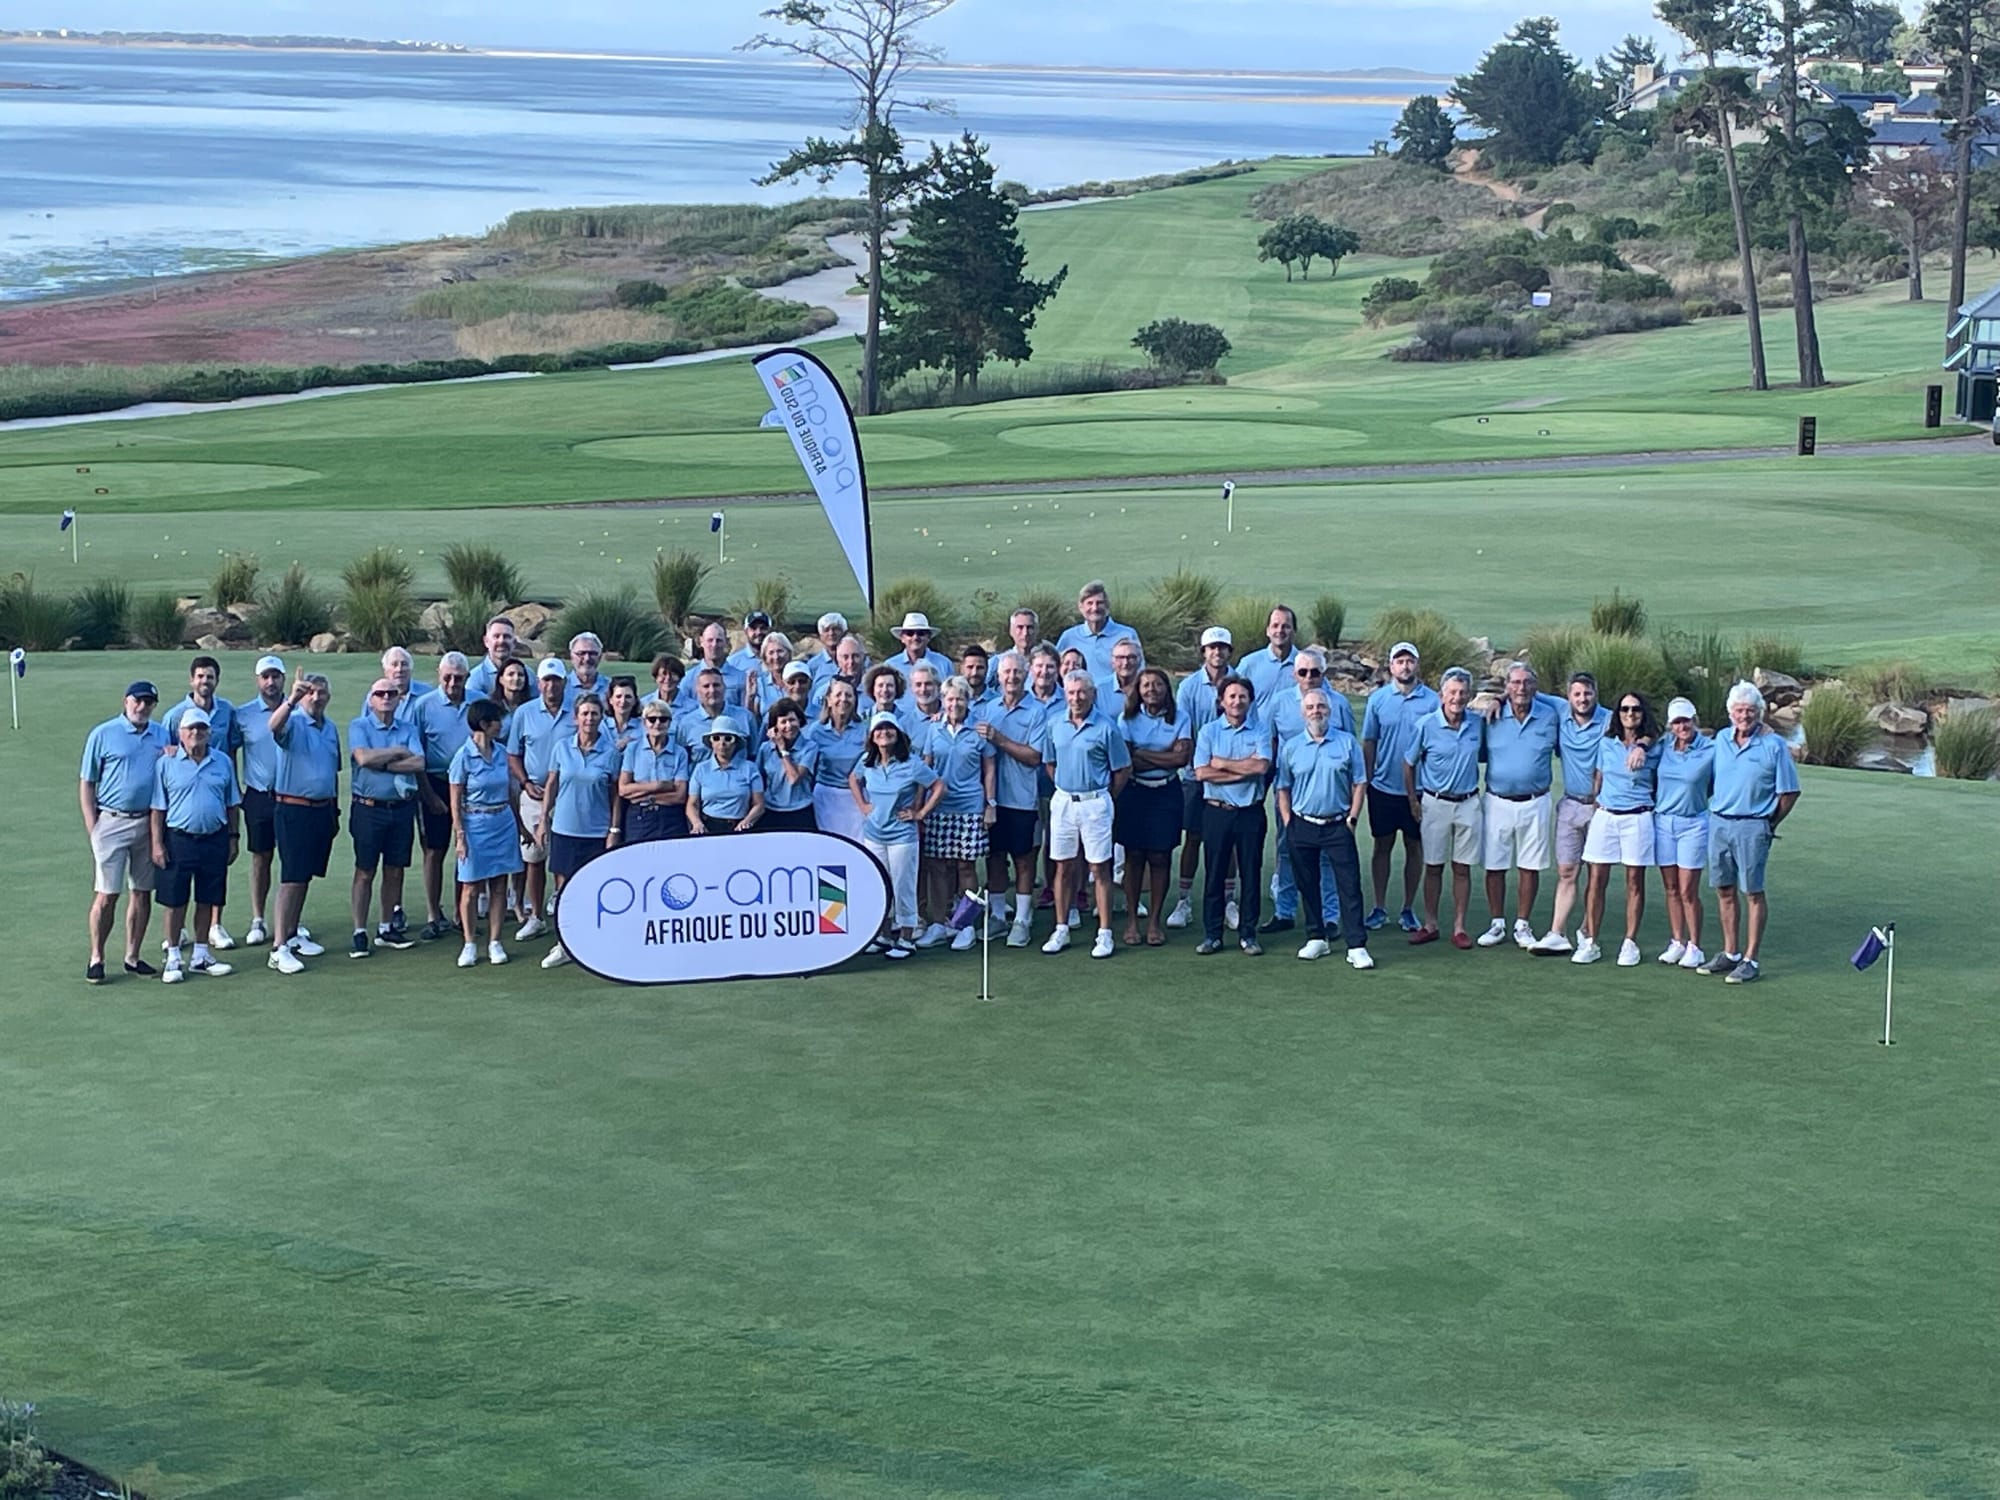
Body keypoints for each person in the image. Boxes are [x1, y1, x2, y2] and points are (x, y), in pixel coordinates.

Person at [1700, 681, 1801, 984]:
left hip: (1753, 825)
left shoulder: (1774, 745)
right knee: (1724, 889)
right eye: (1739, 710)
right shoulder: (1721, 739)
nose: (1744, 716)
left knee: (1752, 892)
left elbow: (1789, 792)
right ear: (1730, 712)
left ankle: (1750, 959)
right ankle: (1730, 953)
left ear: (1760, 712)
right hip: (1719, 822)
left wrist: (1770, 824)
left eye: (1750, 711)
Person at [1275, 688, 1374, 968]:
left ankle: (1356, 945)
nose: (1316, 711)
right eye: (1310, 707)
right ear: (1302, 713)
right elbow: (1283, 787)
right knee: (1307, 884)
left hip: (1338, 824)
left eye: (1320, 706)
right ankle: (1316, 937)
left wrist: (1352, 819)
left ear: (1328, 710)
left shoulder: (1347, 743)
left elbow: (1359, 783)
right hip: (1302, 824)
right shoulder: (1291, 747)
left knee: (1349, 885)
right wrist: (1288, 822)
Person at [1261, 649, 1355, 938]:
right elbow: (1271, 743)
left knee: (1327, 859)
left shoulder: (1338, 703)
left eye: (1315, 672)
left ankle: (1329, 917)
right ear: (1295, 674)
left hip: (1330, 795)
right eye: (1303, 672)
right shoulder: (1279, 703)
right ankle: (1285, 911)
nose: (1309, 677)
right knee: (1286, 849)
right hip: (1291, 792)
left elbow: (1350, 749)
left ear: (1323, 673)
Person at [80, 681, 170, 983]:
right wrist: (93, 827)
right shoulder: (103, 734)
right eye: (137, 701)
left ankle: (133, 956)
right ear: (126, 701)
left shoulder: (161, 734)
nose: (142, 707)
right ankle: (97, 957)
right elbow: (87, 783)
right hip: (111, 821)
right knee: (107, 895)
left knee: (142, 893)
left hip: (148, 823)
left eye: (149, 702)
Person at [1040, 671, 1130, 959]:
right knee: (1063, 866)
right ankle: (1061, 928)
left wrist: (1104, 796)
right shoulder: (1055, 723)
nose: (1076, 698)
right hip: (1064, 801)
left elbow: (1122, 769)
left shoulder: (1107, 727)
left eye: (1081, 692)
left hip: (1095, 802)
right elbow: (1050, 763)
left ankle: (1104, 933)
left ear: (1092, 694)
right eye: (1071, 692)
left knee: (1099, 868)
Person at [148, 708, 241, 984]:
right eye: (190, 728)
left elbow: (232, 804)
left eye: (201, 728)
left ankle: (201, 955)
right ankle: (173, 956)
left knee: (207, 898)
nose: (196, 733)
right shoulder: (166, 763)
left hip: (215, 838)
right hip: (178, 839)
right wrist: (156, 844)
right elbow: (158, 808)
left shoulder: (222, 762)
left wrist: (234, 838)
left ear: (209, 732)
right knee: (174, 900)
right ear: (180, 733)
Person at [161, 654, 243, 952]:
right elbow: (166, 751)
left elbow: (232, 751)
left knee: (212, 880)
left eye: (209, 676)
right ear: (191, 680)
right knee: (179, 885)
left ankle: (214, 927)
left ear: (216, 680)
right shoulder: (174, 715)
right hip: (184, 798)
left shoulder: (227, 711)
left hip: (217, 787)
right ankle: (178, 934)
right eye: (200, 676)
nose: (204, 681)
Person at [1477, 661, 1561, 950]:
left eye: (1527, 682)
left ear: (1536, 687)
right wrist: (1499, 700)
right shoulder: (1491, 717)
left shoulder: (1550, 715)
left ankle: (1522, 924)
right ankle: (1497, 923)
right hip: (1497, 800)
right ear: (1506, 686)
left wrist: (1501, 696)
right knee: (1494, 864)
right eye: (1514, 683)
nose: (1521, 688)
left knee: (1529, 866)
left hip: (1535, 801)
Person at [1575, 691, 1663, 967]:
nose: (1630, 714)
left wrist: (1644, 745)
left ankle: (1629, 942)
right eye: (1624, 709)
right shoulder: (1607, 743)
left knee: (1634, 880)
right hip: (1606, 815)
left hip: (1638, 816)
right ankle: (1591, 940)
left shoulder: (1655, 746)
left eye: (1635, 709)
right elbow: (1599, 778)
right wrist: (1595, 807)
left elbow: (1665, 737)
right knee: (1596, 879)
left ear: (1643, 713)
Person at [536, 693, 623, 969]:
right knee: (564, 891)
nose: (589, 718)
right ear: (576, 718)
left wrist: (614, 829)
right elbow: (552, 784)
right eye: (584, 713)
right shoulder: (562, 748)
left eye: (594, 714)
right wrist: (543, 819)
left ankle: (593, 943)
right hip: (565, 828)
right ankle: (565, 944)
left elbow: (615, 795)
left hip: (596, 832)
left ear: (601, 718)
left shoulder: (611, 753)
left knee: (595, 890)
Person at [1529, 672, 1612, 955]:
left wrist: (1642, 744)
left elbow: (1644, 728)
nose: (1582, 699)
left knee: (1596, 875)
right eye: (1577, 694)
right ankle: (1557, 933)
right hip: (1570, 804)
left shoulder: (1610, 719)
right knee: (1567, 871)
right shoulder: (1560, 709)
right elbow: (1525, 690)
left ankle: (1588, 931)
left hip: (1601, 808)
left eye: (1587, 693)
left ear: (1595, 694)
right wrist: (1499, 699)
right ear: (1568, 696)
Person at [1402, 666, 1485, 948]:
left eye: (1462, 693)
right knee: (1434, 866)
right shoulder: (1426, 725)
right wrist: (1413, 800)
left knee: (1462, 868)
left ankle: (1459, 928)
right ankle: (1430, 924)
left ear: (1469, 696)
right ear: (1441, 695)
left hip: (1468, 802)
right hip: (1435, 803)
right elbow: (1409, 763)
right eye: (1452, 692)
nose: (1457, 698)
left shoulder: (1477, 724)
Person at [266, 671, 341, 974]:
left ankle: (293, 933)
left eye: (321, 692)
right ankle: (278, 947)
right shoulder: (293, 720)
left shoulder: (330, 728)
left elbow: (333, 770)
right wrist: (292, 699)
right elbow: (273, 726)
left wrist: (334, 811)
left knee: (305, 876)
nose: (316, 697)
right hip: (293, 809)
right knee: (291, 878)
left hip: (322, 810)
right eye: (311, 692)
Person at [851, 712, 942, 960]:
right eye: (879, 729)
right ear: (872, 736)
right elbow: (853, 779)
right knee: (879, 884)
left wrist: (920, 813)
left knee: (903, 886)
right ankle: (883, 935)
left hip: (902, 836)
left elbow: (938, 786)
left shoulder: (912, 763)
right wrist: (863, 806)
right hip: (874, 835)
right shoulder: (866, 761)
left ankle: (906, 938)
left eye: (889, 728)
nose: (884, 733)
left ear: (898, 733)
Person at [1362, 642, 1439, 934]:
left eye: (1410, 661)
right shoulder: (1378, 700)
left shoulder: (1432, 701)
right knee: (1381, 846)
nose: (1405, 666)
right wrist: (1367, 779)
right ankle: (1379, 907)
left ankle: (1408, 908)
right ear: (1391, 666)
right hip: (1383, 787)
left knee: (1414, 847)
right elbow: (1370, 741)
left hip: (1419, 790)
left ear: (1416, 665)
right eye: (1400, 661)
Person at [348, 676, 426, 959]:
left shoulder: (408, 728)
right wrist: (397, 752)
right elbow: (363, 759)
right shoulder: (360, 726)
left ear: (398, 699)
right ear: (371, 699)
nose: (385, 698)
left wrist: (384, 765)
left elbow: (419, 762)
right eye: (380, 694)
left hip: (400, 807)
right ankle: (359, 931)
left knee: (395, 869)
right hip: (368, 808)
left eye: (391, 694)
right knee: (365, 870)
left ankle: (386, 927)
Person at [916, 676, 995, 951]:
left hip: (970, 806)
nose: (954, 703)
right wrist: (920, 808)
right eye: (950, 698)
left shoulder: (979, 730)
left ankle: (965, 925)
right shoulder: (933, 729)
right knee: (937, 866)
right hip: (939, 807)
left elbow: (989, 769)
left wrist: (990, 804)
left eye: (960, 698)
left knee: (966, 866)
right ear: (943, 700)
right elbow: (926, 767)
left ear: (968, 700)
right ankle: (939, 923)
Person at [1193, 676, 1270, 955]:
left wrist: (1223, 764)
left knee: (1250, 873)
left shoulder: (1261, 730)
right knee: (1214, 873)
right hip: (1217, 811)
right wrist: (1243, 770)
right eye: (1232, 696)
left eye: (1242, 696)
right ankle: (1213, 934)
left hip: (1250, 813)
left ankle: (1248, 934)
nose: (1237, 701)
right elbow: (1202, 772)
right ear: (1222, 701)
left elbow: (1261, 768)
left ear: (1250, 700)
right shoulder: (1209, 732)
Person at [977, 649, 1049, 947]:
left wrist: (1000, 739)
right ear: (999, 676)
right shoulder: (988, 709)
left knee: (1023, 859)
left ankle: (1021, 919)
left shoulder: (1037, 712)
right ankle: (997, 916)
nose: (1012, 677)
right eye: (1006, 672)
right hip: (992, 800)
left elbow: (1034, 757)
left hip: (1022, 798)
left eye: (1017, 672)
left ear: (1026, 675)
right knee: (994, 858)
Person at [1167, 626, 1236, 930]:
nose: (1217, 652)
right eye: (1212, 647)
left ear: (1229, 651)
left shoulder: (1239, 682)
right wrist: (1203, 766)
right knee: (1193, 837)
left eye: (1222, 647)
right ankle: (1184, 901)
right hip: (1195, 775)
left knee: (1229, 840)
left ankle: (1229, 901)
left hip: (1233, 776)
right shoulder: (1189, 686)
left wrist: (1228, 768)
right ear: (1204, 652)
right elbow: (1185, 731)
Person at [1116, 666, 1190, 948]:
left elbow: (1181, 759)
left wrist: (1143, 753)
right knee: (1134, 856)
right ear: (1138, 690)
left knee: (1160, 856)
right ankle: (1132, 921)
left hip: (1166, 792)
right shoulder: (1127, 718)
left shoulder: (1181, 717)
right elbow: (1126, 760)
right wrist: (1164, 755)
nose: (1151, 690)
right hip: (1134, 792)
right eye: (1146, 685)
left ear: (1166, 689)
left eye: (1157, 685)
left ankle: (1154, 922)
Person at [448, 698, 521, 967]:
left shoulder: (501, 753)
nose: (501, 725)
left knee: (499, 885)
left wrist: (521, 826)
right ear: (484, 723)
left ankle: (495, 941)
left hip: (502, 822)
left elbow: (510, 792)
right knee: (470, 887)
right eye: (497, 720)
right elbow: (455, 799)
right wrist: (460, 835)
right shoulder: (463, 756)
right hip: (474, 825)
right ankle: (469, 943)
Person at [506, 657, 574, 941]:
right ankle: (536, 916)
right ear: (539, 683)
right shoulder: (525, 712)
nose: (551, 686)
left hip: (568, 794)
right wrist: (525, 782)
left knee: (563, 857)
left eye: (556, 680)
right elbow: (513, 754)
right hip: (533, 794)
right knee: (534, 857)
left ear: (564, 683)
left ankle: (563, 912)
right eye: (547, 680)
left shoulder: (577, 710)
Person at [413, 651, 473, 941]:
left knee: (466, 849)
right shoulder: (423, 706)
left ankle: (463, 913)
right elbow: (416, 754)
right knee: (434, 850)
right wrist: (428, 795)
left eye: (458, 678)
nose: (452, 683)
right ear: (439, 675)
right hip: (436, 783)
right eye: (447, 677)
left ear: (467, 678)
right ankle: (433, 914)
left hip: (471, 787)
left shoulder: (477, 703)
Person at [233, 655, 291, 947]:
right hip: (258, 794)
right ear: (257, 680)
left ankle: (291, 920)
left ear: (283, 679)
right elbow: (229, 753)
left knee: (292, 859)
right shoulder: (243, 715)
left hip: (293, 795)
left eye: (275, 676)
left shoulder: (298, 710)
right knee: (261, 856)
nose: (271, 682)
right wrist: (235, 792)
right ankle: (258, 918)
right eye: (265, 677)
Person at [1653, 696, 1715, 970]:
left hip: (1693, 824)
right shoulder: (1663, 746)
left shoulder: (1710, 748)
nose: (1682, 727)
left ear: (1694, 720)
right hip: (1663, 822)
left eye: (1686, 721)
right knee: (1671, 888)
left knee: (1688, 889)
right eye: (1677, 722)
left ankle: (1695, 946)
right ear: (1671, 725)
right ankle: (1677, 941)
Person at [619, 698, 691, 842]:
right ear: (644, 722)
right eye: (652, 719)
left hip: (670, 818)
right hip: (639, 817)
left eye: (663, 719)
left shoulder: (680, 753)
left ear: (669, 723)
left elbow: (680, 796)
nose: (657, 723)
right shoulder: (633, 749)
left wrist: (646, 797)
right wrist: (659, 786)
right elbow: (623, 789)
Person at [808, 680, 868, 841]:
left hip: (855, 797)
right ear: (828, 699)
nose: (843, 699)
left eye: (849, 695)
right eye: (838, 695)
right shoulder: (816, 731)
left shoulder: (865, 730)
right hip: (826, 797)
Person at [687, 718, 764, 835]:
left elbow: (759, 804)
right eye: (716, 738)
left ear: (736, 742)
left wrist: (747, 821)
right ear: (711, 742)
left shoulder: (750, 769)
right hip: (708, 827)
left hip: (741, 827)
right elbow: (692, 804)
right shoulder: (701, 769)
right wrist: (697, 823)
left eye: (728, 739)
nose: (722, 744)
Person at [1056, 580, 1140, 684]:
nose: (1095, 608)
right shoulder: (1069, 637)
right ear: (1081, 607)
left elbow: (1139, 672)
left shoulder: (1127, 634)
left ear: (1107, 606)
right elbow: (1056, 671)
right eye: (1089, 603)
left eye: (1099, 603)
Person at [757, 700, 819, 833]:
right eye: (783, 722)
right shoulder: (765, 749)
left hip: (800, 811)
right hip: (771, 810)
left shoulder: (810, 747)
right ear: (775, 726)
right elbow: (760, 779)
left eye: (792, 720)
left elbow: (794, 778)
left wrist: (782, 750)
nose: (789, 726)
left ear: (799, 721)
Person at [676, 667, 756, 764]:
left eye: (716, 685)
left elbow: (754, 755)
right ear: (698, 691)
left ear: (724, 687)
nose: (712, 690)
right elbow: (682, 761)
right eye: (706, 686)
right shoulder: (686, 723)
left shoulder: (745, 717)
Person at [676, 622, 746, 711]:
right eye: (710, 640)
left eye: (719, 640)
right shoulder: (688, 679)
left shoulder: (740, 678)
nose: (714, 645)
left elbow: (745, 713)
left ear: (726, 642)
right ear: (701, 641)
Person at [1237, 605, 1299, 701]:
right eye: (1275, 626)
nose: (1280, 630)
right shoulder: (1249, 664)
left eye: (1286, 626)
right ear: (1267, 631)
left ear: (1294, 631)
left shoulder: (1306, 666)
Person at [883, 611, 953, 689]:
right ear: (902, 638)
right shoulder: (890, 665)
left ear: (928, 637)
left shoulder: (944, 664)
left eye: (921, 633)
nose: (915, 637)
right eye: (910, 633)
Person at [365, 645, 434, 721]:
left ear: (410, 669)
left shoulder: (427, 694)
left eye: (404, 664)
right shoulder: (375, 696)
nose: (399, 669)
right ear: (385, 671)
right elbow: (364, 725)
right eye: (394, 664)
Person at [465, 616, 518, 700]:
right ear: (486, 641)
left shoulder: (528, 676)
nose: (501, 641)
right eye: (496, 636)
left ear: (514, 642)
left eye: (506, 636)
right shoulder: (475, 679)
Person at [745, 632, 794, 718]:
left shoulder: (799, 681)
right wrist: (750, 697)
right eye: (771, 652)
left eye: (780, 651)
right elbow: (751, 718)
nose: (776, 657)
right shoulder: (759, 684)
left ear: (789, 653)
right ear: (765, 658)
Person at [562, 632, 606, 709]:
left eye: (592, 653)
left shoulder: (611, 688)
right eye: (581, 653)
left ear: (600, 657)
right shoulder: (561, 687)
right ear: (571, 656)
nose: (587, 659)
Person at [807, 612, 850, 684]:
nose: (831, 633)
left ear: (844, 633)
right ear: (820, 635)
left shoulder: (855, 661)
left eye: (836, 629)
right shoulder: (813, 665)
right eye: (826, 630)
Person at [604, 676, 643, 753]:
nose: (623, 701)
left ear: (635, 700)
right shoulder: (602, 727)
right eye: (618, 696)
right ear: (611, 700)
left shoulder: (644, 727)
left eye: (628, 697)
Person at [728, 610, 773, 676]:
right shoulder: (733, 662)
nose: (758, 632)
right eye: (753, 628)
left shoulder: (778, 658)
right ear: (746, 631)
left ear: (769, 630)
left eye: (763, 628)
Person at [959, 643, 996, 707]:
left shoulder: (998, 702)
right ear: (961, 669)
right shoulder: (952, 701)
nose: (974, 673)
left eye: (980, 668)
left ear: (987, 669)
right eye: (970, 667)